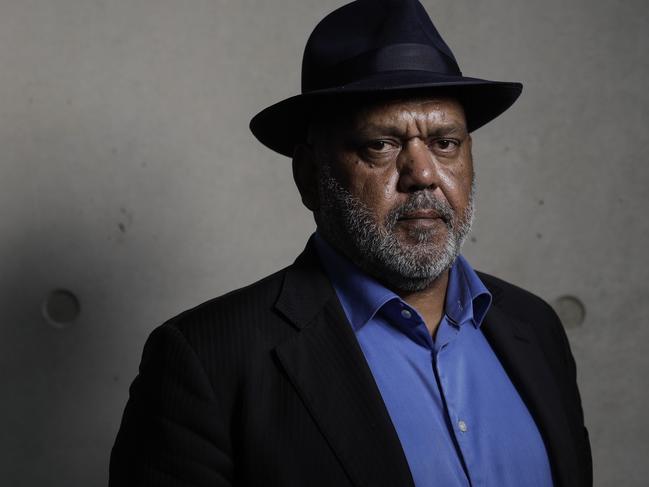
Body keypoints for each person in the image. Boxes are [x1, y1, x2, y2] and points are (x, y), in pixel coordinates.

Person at [109, 0, 592, 486]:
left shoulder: (536, 329)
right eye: (380, 144)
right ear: (310, 175)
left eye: (445, 142)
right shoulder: (206, 361)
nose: (423, 174)